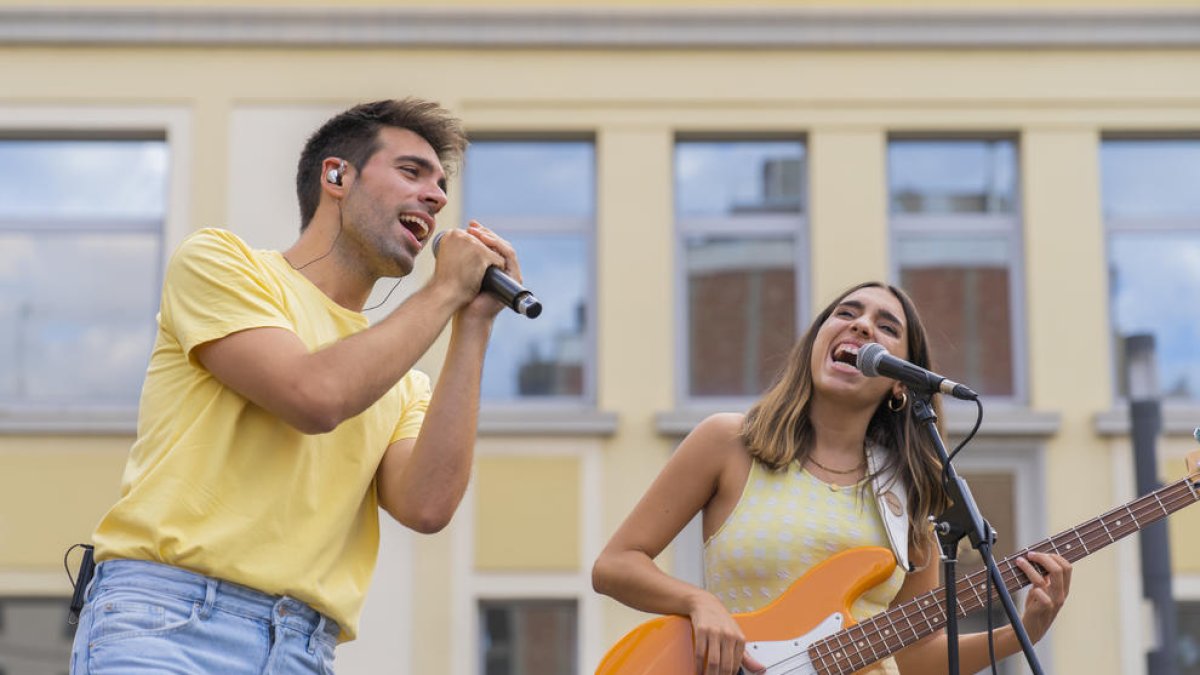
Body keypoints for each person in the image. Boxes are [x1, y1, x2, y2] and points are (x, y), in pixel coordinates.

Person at [69, 98, 518, 674]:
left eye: (441, 185)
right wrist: (443, 292)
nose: (436, 197)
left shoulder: (400, 384)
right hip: (169, 623)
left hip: (302, 649)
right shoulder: (222, 264)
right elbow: (314, 396)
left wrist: (473, 323)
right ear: (336, 175)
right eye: (411, 172)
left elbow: (428, 507)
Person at [592, 281, 1072, 675]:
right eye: (846, 313)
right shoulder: (730, 442)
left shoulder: (909, 495)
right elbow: (615, 564)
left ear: (901, 382)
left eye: (887, 327)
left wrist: (1022, 631)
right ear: (819, 341)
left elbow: (913, 656)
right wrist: (699, 603)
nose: (862, 325)